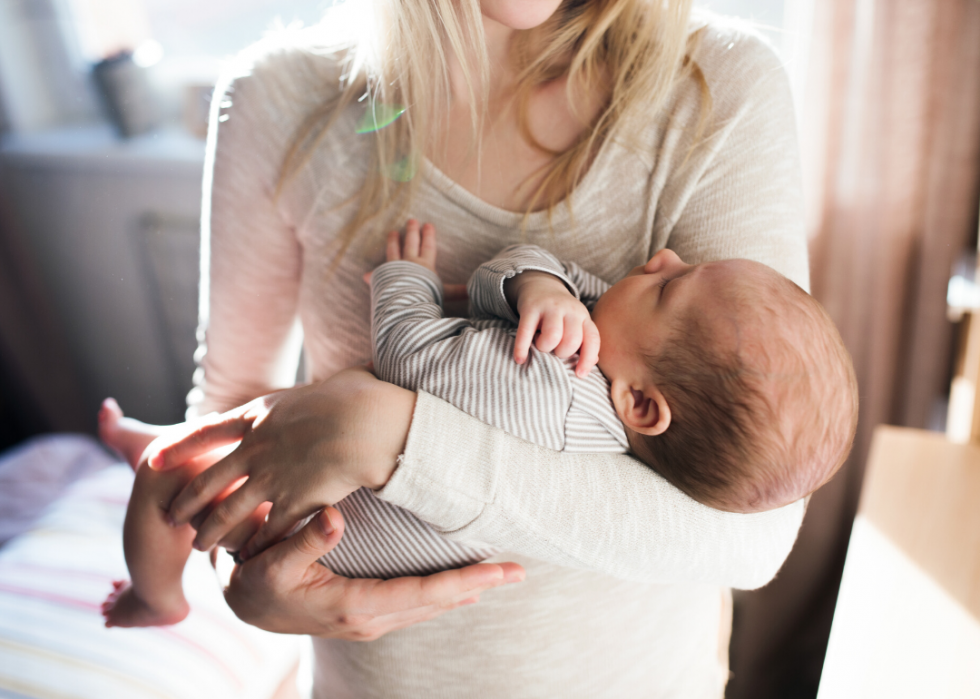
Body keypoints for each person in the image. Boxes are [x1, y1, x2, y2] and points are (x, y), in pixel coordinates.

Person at [122, 1, 819, 695]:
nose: (662, 261)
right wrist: (246, 587)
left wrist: (386, 437)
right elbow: (227, 412)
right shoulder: (280, 99)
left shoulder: (715, 87)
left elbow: (754, 535)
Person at [98, 218, 855, 619]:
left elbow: (407, 361)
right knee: (218, 435)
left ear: (641, 407)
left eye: (669, 286)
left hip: (298, 524)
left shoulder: (552, 399)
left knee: (164, 479)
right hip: (319, 467)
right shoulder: (608, 368)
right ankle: (172, 437)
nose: (660, 255)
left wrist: (406, 281)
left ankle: (156, 596)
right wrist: (537, 286)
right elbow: (535, 276)